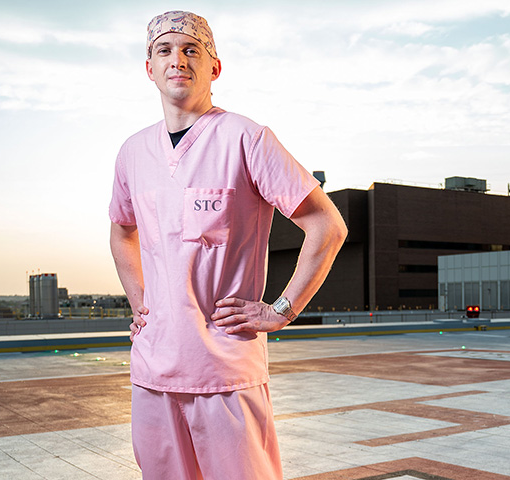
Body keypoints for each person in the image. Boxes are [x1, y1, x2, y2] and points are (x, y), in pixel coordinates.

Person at [108, 10, 347, 479]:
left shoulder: (246, 138)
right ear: (150, 69)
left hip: (225, 370)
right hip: (153, 372)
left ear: (214, 68)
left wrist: (281, 308)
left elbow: (327, 225)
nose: (177, 59)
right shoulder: (133, 153)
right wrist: (143, 304)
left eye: (191, 49)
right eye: (165, 50)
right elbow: (122, 230)